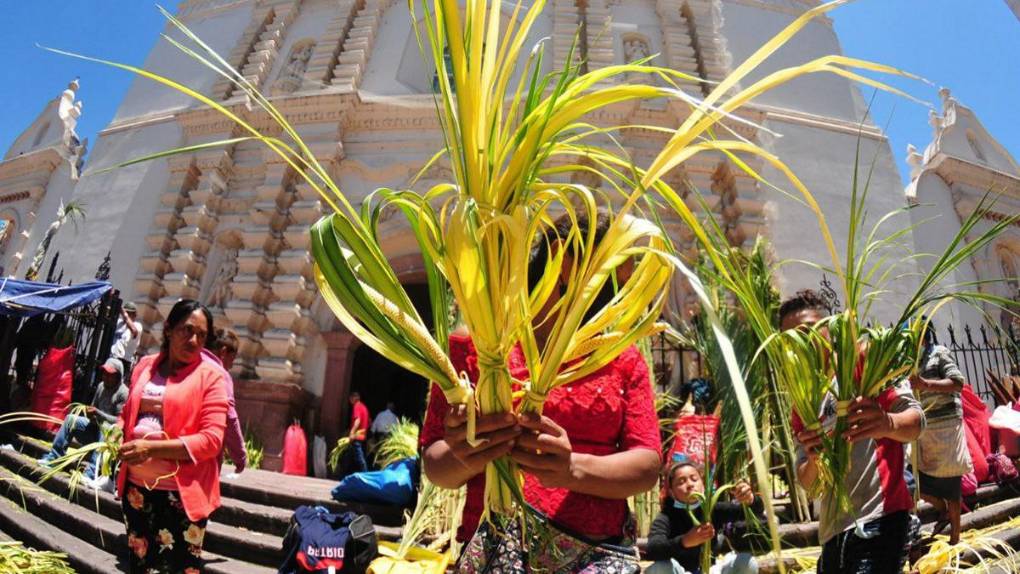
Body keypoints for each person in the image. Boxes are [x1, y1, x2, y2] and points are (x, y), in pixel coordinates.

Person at [420, 211, 661, 572]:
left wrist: (570, 469)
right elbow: (436, 466)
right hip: (494, 549)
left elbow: (646, 464)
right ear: (560, 263)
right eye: (604, 276)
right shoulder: (481, 350)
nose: (614, 296)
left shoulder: (621, 358)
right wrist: (469, 450)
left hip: (595, 554)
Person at [782, 290, 925, 574]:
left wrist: (888, 423)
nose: (802, 342)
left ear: (830, 327)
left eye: (809, 331)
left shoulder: (866, 362)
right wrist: (812, 459)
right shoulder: (803, 403)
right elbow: (808, 484)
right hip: (832, 533)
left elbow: (917, 421)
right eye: (790, 338)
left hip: (880, 519)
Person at [116, 299, 229, 573]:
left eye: (201, 335)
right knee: (141, 564)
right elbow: (130, 411)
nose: (193, 340)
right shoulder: (145, 366)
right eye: (186, 330)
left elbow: (212, 440)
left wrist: (151, 449)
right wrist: (118, 430)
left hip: (180, 495)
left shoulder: (212, 377)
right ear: (168, 329)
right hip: (137, 489)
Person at [909, 321, 971, 545]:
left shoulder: (939, 353)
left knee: (951, 485)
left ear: (924, 336)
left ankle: (955, 539)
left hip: (946, 430)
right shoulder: (911, 361)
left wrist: (925, 384)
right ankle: (941, 508)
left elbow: (957, 382)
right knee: (915, 482)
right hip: (924, 431)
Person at [645, 460, 762, 574]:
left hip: (710, 570)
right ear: (671, 492)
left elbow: (755, 511)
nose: (690, 485)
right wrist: (685, 541)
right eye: (681, 482)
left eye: (694, 479)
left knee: (747, 563)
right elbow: (653, 549)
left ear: (703, 484)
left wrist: (750, 499)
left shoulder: (713, 509)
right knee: (660, 568)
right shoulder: (666, 517)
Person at [38, 358, 128, 482]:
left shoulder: (123, 393)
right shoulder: (101, 386)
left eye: (110, 375)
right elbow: (93, 407)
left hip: (109, 440)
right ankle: (54, 457)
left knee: (106, 426)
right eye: (104, 374)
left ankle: (90, 473)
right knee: (71, 419)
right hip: (93, 430)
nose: (106, 377)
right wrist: (89, 413)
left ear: (118, 377)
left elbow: (119, 421)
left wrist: (98, 413)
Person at [204, 328, 247, 475]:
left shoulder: (188, 362)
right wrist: (240, 456)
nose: (232, 365)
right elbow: (229, 417)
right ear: (223, 352)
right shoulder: (220, 374)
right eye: (232, 359)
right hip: (203, 456)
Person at [111, 301, 142, 372]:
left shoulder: (138, 326)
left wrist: (124, 314)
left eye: (129, 313)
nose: (126, 314)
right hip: (112, 357)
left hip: (123, 360)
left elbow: (134, 330)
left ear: (134, 315)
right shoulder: (119, 322)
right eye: (126, 312)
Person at [348, 392, 370, 473]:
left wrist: (352, 433)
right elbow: (369, 422)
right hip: (363, 437)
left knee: (360, 459)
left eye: (350, 398)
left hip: (357, 437)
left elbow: (357, 420)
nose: (349, 401)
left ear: (354, 398)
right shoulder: (364, 408)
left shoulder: (357, 407)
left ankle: (365, 474)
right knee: (354, 458)